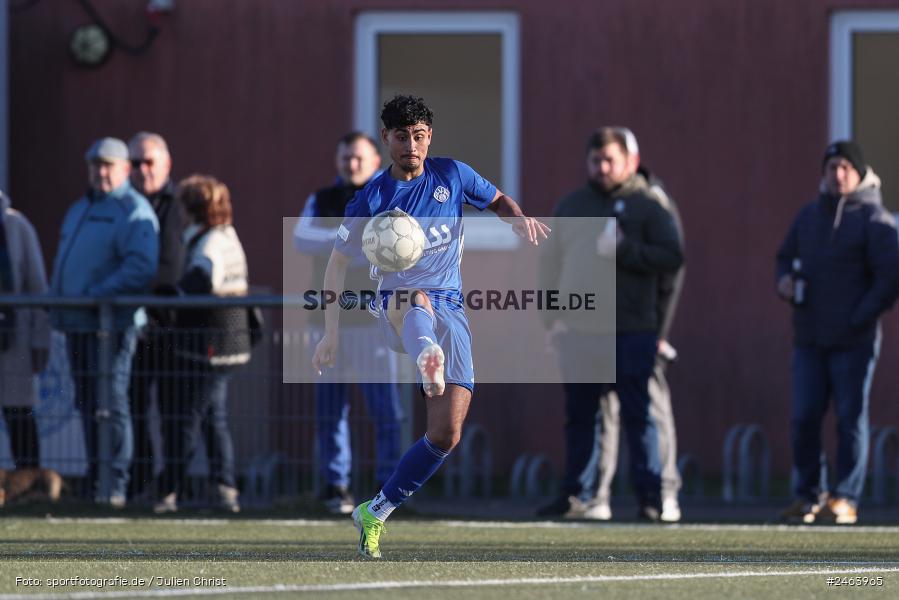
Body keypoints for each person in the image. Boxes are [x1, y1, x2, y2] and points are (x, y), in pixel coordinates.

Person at [312, 95, 548, 558]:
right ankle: (425, 355)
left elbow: (497, 199)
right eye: (402, 137)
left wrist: (517, 220)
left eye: (419, 136)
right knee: (414, 297)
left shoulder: (452, 175)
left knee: (446, 434)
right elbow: (336, 265)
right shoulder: (372, 197)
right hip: (395, 308)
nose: (412, 146)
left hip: (452, 310)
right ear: (387, 139)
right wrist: (331, 332)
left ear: (429, 137)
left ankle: (375, 511)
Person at [537, 127, 683, 522]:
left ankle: (651, 497)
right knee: (581, 416)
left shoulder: (647, 205)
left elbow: (672, 257)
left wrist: (625, 250)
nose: (602, 168)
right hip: (579, 330)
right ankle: (578, 495)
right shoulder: (571, 205)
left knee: (639, 416)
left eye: (609, 161)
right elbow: (548, 265)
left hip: (630, 328)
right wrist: (550, 318)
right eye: (595, 160)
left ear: (630, 162)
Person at [776, 141, 899, 525]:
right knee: (803, 418)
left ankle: (846, 497)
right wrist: (784, 281)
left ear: (860, 173)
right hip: (810, 337)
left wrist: (858, 316)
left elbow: (889, 278)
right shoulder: (809, 215)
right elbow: (784, 257)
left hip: (854, 341)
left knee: (850, 419)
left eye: (846, 167)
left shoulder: (874, 219)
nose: (838, 174)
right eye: (832, 167)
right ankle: (809, 494)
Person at [293, 132, 402, 514]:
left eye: (358, 158)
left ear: (375, 160)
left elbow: (388, 250)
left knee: (384, 410)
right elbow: (302, 238)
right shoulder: (321, 199)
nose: (351, 164)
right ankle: (335, 486)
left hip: (373, 320)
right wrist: (345, 242)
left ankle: (388, 489)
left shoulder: (389, 196)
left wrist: (344, 248)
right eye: (345, 158)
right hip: (328, 321)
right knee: (330, 410)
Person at [49, 137, 159, 507]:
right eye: (95, 164)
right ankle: (98, 478)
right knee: (87, 403)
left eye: (108, 164)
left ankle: (114, 485)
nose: (100, 171)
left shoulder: (133, 210)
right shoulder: (80, 208)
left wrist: (99, 293)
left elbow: (140, 266)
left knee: (111, 403)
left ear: (125, 169)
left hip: (111, 325)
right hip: (78, 324)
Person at [586, 158, 686, 523]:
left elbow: (671, 273)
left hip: (644, 328)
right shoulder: (600, 202)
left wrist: (661, 332)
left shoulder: (652, 202)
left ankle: (665, 492)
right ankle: (598, 495)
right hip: (604, 326)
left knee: (650, 412)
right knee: (603, 412)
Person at [153, 175, 250, 514]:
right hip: (231, 342)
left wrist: (171, 294)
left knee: (187, 418)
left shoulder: (207, 244)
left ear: (194, 210)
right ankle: (224, 486)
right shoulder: (228, 235)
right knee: (212, 417)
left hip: (210, 346)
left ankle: (168, 489)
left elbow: (201, 278)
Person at [127, 132, 186, 501]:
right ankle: (140, 477)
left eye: (149, 161)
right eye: (135, 162)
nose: (142, 169)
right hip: (131, 324)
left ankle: (171, 486)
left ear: (166, 165)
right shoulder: (123, 205)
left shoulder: (179, 204)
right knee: (131, 406)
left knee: (173, 412)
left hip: (173, 327)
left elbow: (170, 266)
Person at [0, 189, 50, 471]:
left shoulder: (17, 226)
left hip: (13, 338)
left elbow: (37, 289)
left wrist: (41, 340)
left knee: (19, 414)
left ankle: (28, 485)